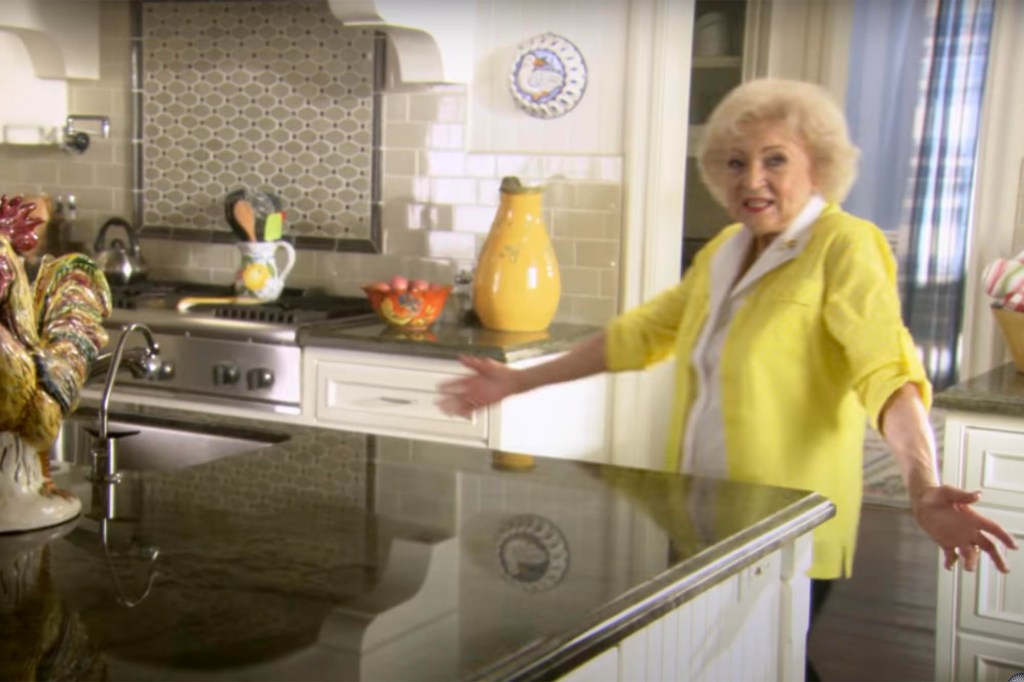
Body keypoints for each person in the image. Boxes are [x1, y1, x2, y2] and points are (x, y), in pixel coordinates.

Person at [439, 78, 1017, 678]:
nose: (752, 180)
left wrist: (923, 485)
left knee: (758, 660)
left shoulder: (845, 246)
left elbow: (887, 372)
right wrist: (519, 382)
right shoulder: (724, 250)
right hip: (697, 515)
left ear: (817, 167)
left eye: (775, 160)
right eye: (736, 163)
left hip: (782, 522)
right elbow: (638, 335)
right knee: (738, 662)